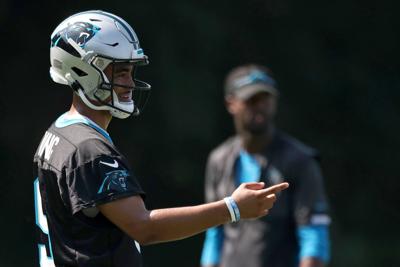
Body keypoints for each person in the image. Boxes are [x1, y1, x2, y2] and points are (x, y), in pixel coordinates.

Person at [33, 11, 289, 267]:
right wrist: (232, 209)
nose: (129, 83)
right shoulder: (88, 148)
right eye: (120, 72)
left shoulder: (60, 132)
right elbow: (145, 228)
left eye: (130, 72)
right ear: (81, 70)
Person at [200, 64, 331, 267]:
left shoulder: (301, 161)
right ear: (231, 103)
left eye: (265, 99)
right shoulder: (218, 160)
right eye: (251, 100)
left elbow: (313, 234)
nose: (260, 106)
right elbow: (214, 231)